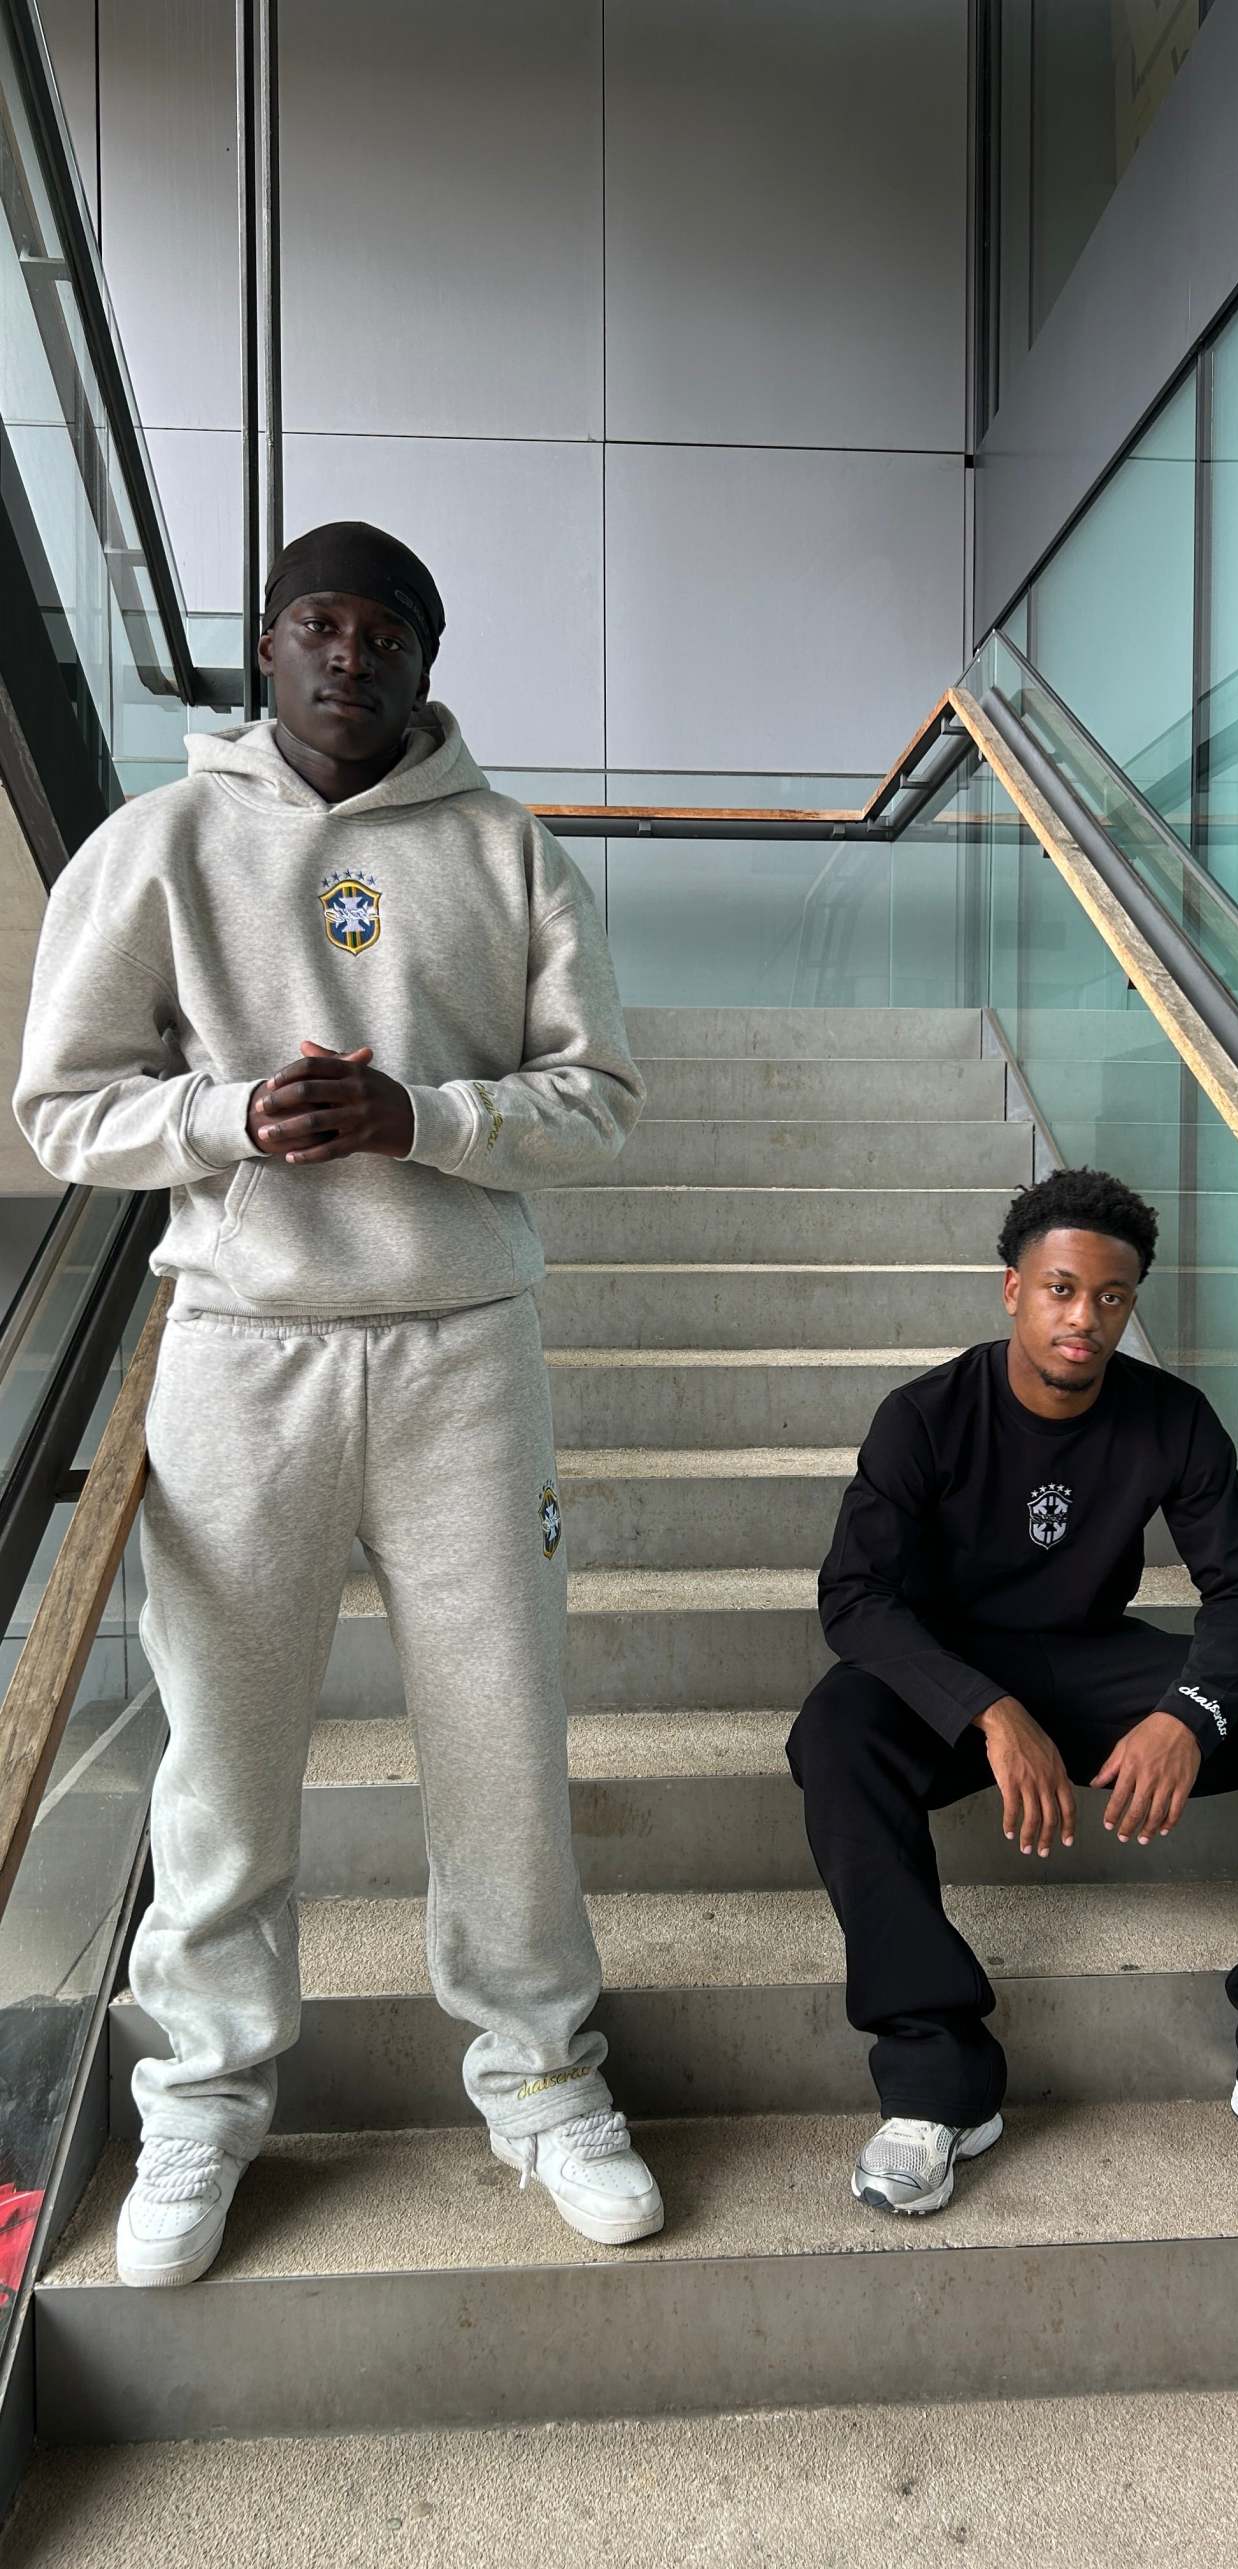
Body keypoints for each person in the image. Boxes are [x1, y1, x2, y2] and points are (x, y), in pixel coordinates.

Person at [15, 519, 664, 2285]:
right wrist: (226, 1117)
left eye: (387, 629)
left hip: (463, 1351)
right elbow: (59, 1107)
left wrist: (425, 1119)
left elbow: (601, 1101)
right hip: (244, 1349)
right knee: (223, 1748)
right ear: (269, 644)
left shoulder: (509, 849)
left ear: (428, 662)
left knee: (502, 1736)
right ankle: (204, 2094)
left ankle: (544, 2076)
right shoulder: (159, 845)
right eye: (319, 621)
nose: (350, 652)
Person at [788, 1165, 1238, 2216]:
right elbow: (853, 1597)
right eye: (1061, 1289)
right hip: (960, 1676)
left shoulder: (1170, 1417)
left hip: (1098, 1663)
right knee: (835, 1727)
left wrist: (1188, 1715)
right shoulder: (925, 1416)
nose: (1084, 1317)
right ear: (1013, 1290)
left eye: (1110, 1296)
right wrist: (987, 1711)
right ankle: (937, 2077)